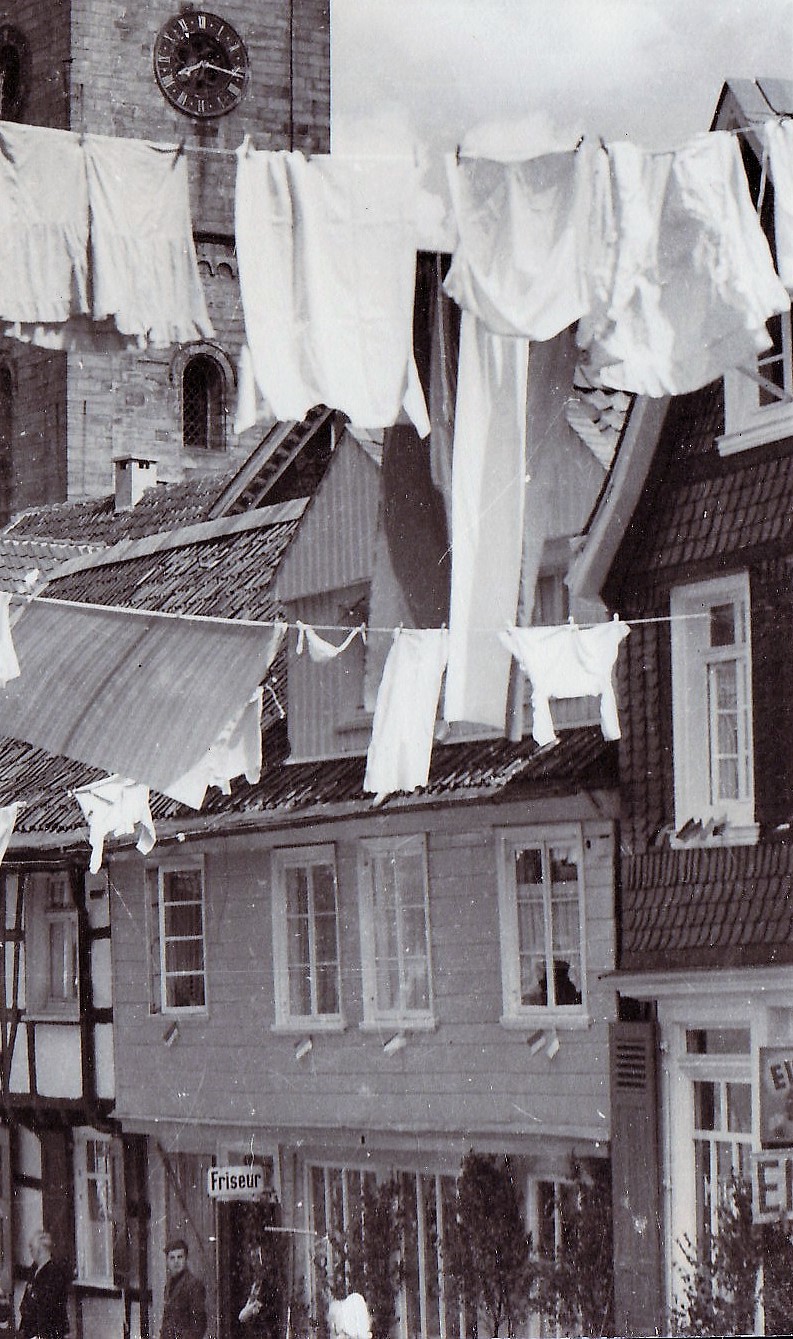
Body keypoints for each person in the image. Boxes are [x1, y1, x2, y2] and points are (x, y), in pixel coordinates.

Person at [18, 1230, 70, 1339]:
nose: (30, 1252)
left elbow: (48, 1305)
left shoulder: (55, 1272)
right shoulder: (34, 1269)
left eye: (32, 1248)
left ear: (40, 1250)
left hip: (48, 1331)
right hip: (31, 1330)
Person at [160, 1238, 207, 1339]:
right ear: (167, 1261)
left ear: (186, 1259)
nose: (176, 1262)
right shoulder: (169, 1286)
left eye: (180, 1257)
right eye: (172, 1258)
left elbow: (199, 1325)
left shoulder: (194, 1285)